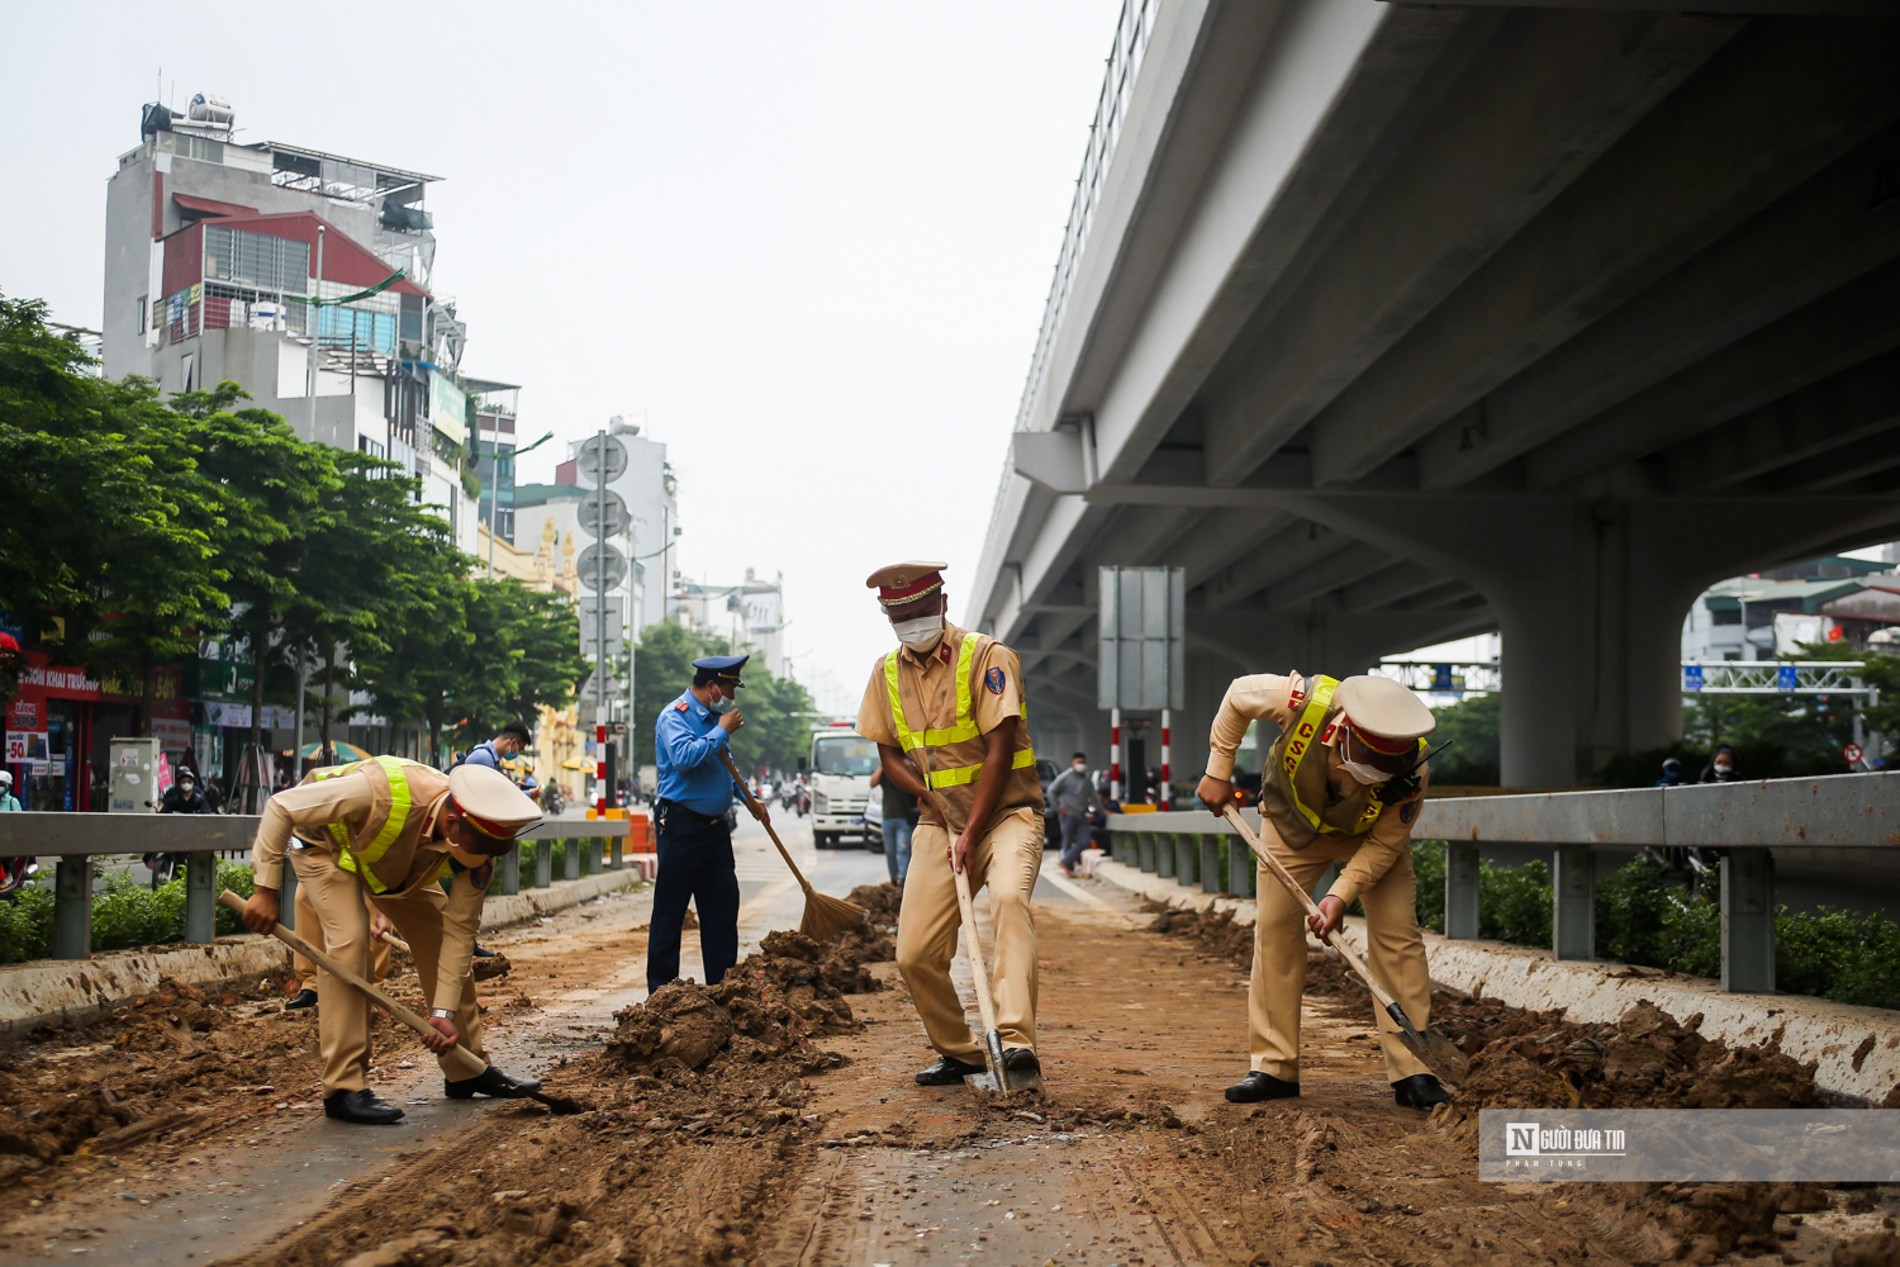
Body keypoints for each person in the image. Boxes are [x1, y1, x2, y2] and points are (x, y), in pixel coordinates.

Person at [237, 758, 544, 1124]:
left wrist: (442, 1015)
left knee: (444, 942)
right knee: (350, 944)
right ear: (451, 826)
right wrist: (264, 889)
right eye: (476, 855)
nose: (480, 865)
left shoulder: (478, 849)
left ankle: (466, 1069)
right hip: (324, 849)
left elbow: (459, 937)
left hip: (395, 869)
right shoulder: (377, 791)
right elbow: (282, 805)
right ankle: (344, 1088)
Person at [1196, 671, 1448, 1111]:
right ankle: (1274, 1067)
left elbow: (1386, 844)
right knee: (1275, 933)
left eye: (1392, 764)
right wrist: (1219, 770)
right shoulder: (1303, 701)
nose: (1380, 774)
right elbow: (1237, 695)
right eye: (1374, 759)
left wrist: (1339, 895)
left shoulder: (1415, 768)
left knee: (1398, 936)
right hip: (1292, 828)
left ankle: (1414, 1070)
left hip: (1368, 838)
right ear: (1346, 730)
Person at [854, 562, 1046, 1091]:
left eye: (919, 613)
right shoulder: (885, 672)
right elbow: (888, 755)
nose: (912, 624)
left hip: (1007, 816)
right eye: (900, 618)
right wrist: (927, 800)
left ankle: (1015, 1044)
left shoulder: (988, 657)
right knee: (913, 952)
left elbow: (1001, 751)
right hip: (938, 822)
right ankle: (960, 1053)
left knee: (1008, 901)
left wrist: (970, 829)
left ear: (941, 602)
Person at [649, 653, 768, 994]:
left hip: (716, 830)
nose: (731, 696)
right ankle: (662, 994)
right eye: (729, 687)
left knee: (721, 910)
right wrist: (720, 731)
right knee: (670, 914)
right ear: (713, 686)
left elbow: (726, 772)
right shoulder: (676, 716)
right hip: (682, 827)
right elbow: (684, 758)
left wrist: (750, 800)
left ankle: (723, 990)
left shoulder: (715, 722)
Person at [1047, 753, 1103, 878]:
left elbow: (1093, 796)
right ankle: (1068, 867)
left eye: (1083, 762)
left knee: (1084, 840)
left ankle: (1065, 861)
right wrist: (1057, 808)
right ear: (1073, 763)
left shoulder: (1086, 779)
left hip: (1082, 815)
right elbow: (1051, 790)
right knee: (1067, 840)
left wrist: (1102, 811)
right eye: (1078, 762)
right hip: (1067, 815)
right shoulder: (1065, 777)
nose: (1081, 765)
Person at [868, 764, 919, 887]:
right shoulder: (884, 772)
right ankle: (894, 879)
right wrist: (882, 765)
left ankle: (902, 877)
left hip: (904, 818)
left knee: (902, 849)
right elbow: (872, 783)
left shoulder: (906, 768)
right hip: (887, 818)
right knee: (890, 851)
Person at [461, 721, 532, 773]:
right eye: (519, 749)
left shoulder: (489, 757)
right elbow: (488, 792)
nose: (517, 753)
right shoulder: (485, 758)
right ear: (512, 742)